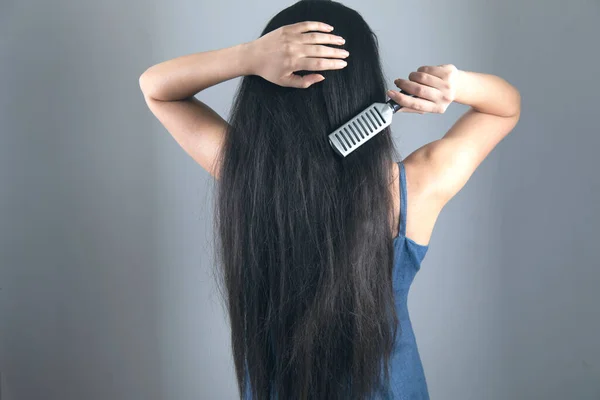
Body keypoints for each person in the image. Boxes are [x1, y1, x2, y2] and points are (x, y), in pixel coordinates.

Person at [138, 0, 521, 398]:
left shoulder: (248, 176)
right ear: (365, 87)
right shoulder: (414, 188)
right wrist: (453, 85)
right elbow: (504, 109)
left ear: (262, 95)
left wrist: (248, 56)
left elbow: (158, 89)